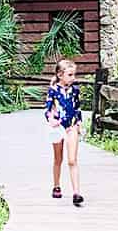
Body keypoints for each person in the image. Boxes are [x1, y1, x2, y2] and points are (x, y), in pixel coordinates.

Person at [44, 59, 84, 207]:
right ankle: (56, 185)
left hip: (71, 125)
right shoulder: (53, 90)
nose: (73, 78)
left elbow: (77, 107)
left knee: (72, 160)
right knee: (58, 158)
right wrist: (51, 119)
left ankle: (76, 192)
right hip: (58, 126)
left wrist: (79, 122)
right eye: (70, 75)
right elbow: (48, 109)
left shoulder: (75, 90)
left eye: (74, 74)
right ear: (60, 75)